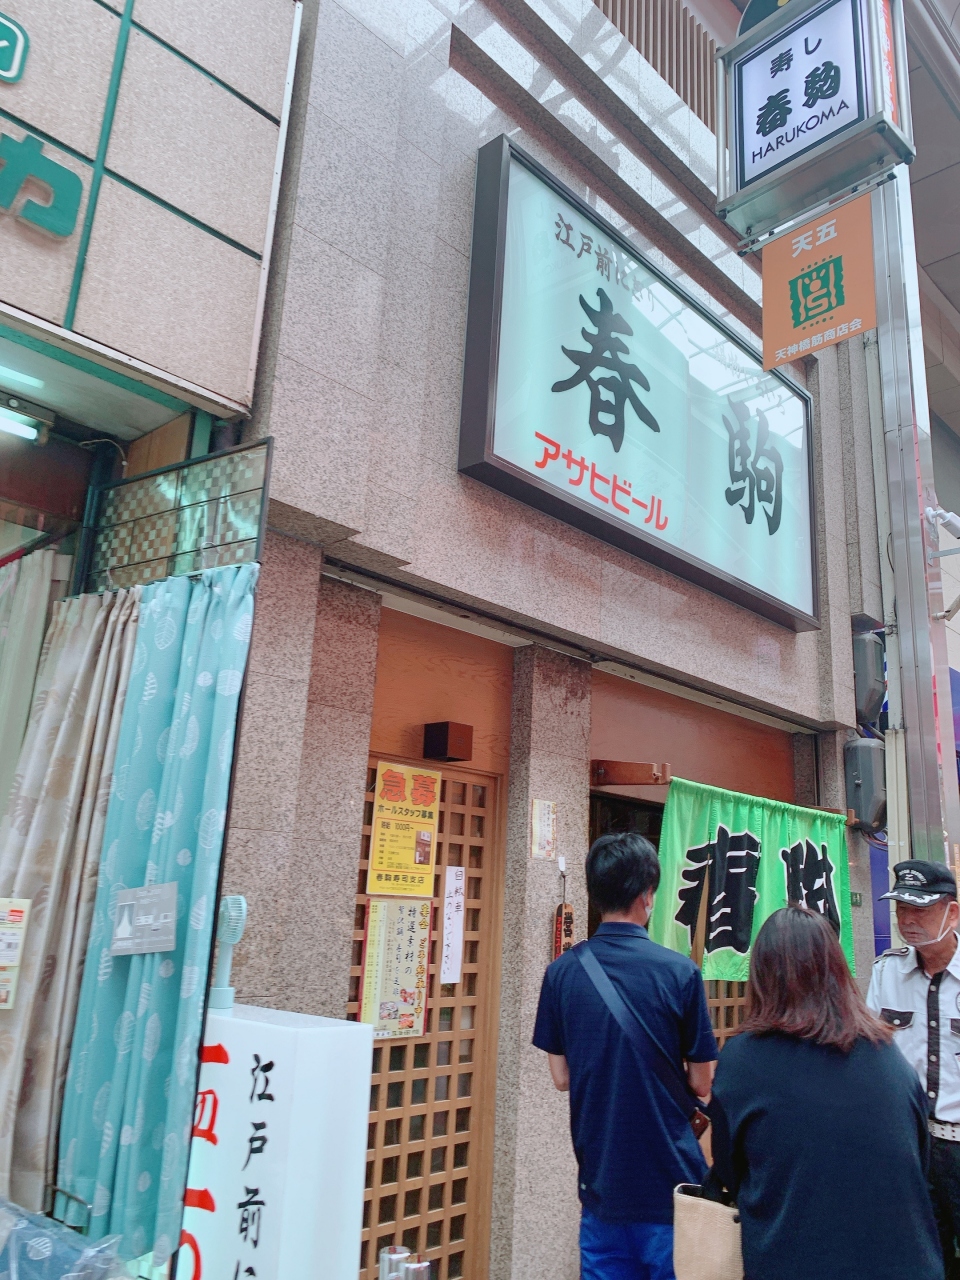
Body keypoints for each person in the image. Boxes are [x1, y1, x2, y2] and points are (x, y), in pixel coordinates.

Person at [709, 905, 942, 1280]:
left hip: (794, 1260)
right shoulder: (887, 1053)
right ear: (837, 970)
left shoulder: (743, 1060)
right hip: (908, 1263)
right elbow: (916, 1155)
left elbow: (730, 1171)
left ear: (762, 975)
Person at [532, 832, 718, 1280]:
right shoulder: (680, 973)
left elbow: (561, 1077)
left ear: (595, 894)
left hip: (602, 1184)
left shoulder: (561, 974)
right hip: (672, 1184)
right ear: (646, 895)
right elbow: (702, 1083)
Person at [866, 859, 960, 1277]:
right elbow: (872, 1054)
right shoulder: (887, 972)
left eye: (920, 909)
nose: (907, 921)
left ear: (952, 912)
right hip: (910, 1143)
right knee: (924, 1255)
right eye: (901, 909)